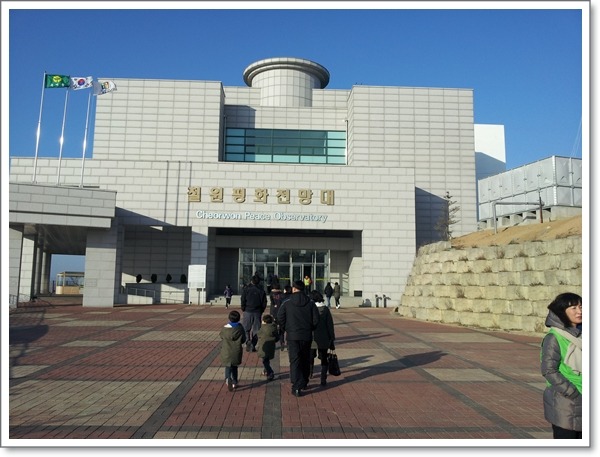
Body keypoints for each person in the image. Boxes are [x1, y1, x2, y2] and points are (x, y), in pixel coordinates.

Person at [541, 292, 582, 439]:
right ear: (562, 312)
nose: (579, 311)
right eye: (573, 308)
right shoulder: (554, 337)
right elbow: (549, 370)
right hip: (566, 401)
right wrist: (573, 392)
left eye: (581, 307)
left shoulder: (583, 334)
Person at [277, 280, 319, 397]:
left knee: (295, 360)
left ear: (294, 289)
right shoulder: (310, 303)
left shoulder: (287, 302)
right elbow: (316, 320)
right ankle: (304, 381)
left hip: (292, 336)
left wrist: (286, 328)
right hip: (306, 335)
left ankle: (296, 386)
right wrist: (310, 328)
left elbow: (280, 317)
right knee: (305, 359)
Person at [309, 290, 336, 386]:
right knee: (324, 359)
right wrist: (332, 338)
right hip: (324, 338)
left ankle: (310, 373)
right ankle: (323, 378)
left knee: (310, 356)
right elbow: (330, 325)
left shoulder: (310, 309)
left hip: (312, 338)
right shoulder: (325, 310)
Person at [219, 310, 246, 392]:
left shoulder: (224, 328)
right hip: (236, 351)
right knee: (234, 367)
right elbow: (243, 339)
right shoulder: (240, 328)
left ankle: (228, 378)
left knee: (228, 366)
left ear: (229, 318)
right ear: (238, 318)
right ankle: (235, 381)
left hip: (226, 351)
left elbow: (221, 336)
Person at [241, 275, 267, 352]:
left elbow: (243, 299)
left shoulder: (246, 289)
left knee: (246, 328)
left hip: (247, 310)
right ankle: (253, 344)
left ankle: (248, 341)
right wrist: (262, 310)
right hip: (257, 311)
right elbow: (264, 302)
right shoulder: (261, 290)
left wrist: (243, 308)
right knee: (256, 330)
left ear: (251, 281)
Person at [256, 314, 279, 381]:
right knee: (267, 359)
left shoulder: (263, 328)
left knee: (265, 360)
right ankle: (265, 370)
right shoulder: (274, 327)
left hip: (264, 346)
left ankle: (270, 372)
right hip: (271, 346)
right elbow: (277, 337)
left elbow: (258, 334)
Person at [278, 284, 293, 351]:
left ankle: (282, 343)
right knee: (289, 331)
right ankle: (288, 343)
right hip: (290, 316)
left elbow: (279, 306)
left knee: (281, 331)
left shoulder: (282, 296)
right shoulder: (292, 297)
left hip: (283, 315)